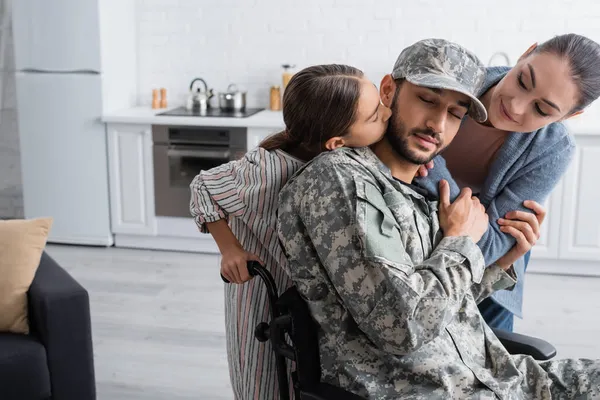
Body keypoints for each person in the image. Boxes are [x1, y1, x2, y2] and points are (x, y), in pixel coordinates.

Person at [277, 38, 600, 399]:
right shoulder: (342, 180)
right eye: (427, 100)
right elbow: (402, 326)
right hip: (428, 388)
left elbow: (445, 303)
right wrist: (461, 239)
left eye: (457, 114)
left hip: (497, 377)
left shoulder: (417, 195)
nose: (437, 124)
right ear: (388, 91)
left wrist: (502, 263)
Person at [189, 64, 392, 400]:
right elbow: (203, 186)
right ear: (335, 142)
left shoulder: (343, 157)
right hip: (260, 304)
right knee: (265, 386)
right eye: (375, 115)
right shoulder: (268, 173)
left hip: (302, 307)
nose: (387, 112)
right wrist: (230, 250)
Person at [414, 33, 600, 332]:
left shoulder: (554, 148)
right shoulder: (453, 80)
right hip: (416, 245)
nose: (515, 106)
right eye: (523, 81)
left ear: (570, 115)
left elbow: (492, 247)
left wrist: (427, 162)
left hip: (485, 274)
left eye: (542, 109)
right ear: (526, 53)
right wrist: (468, 218)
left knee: (495, 360)